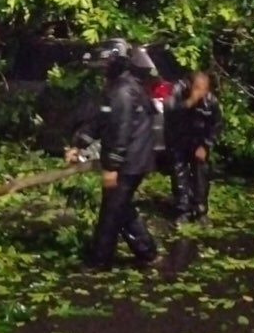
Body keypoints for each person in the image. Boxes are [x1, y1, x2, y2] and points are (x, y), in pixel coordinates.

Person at [85, 39, 159, 271]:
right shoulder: (117, 87)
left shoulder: (123, 91)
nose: (101, 71)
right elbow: (102, 120)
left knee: (110, 214)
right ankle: (147, 252)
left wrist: (112, 167)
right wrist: (80, 142)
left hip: (129, 162)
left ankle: (100, 262)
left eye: (104, 66)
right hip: (132, 159)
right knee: (121, 208)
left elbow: (120, 130)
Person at [163, 71, 221, 222]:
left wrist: (206, 145)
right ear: (190, 85)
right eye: (198, 88)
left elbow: (215, 125)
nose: (201, 92)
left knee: (201, 173)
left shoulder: (211, 101)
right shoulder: (177, 92)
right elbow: (170, 113)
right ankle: (183, 209)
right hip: (178, 139)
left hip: (199, 141)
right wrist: (189, 102)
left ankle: (200, 210)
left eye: (204, 89)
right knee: (179, 174)